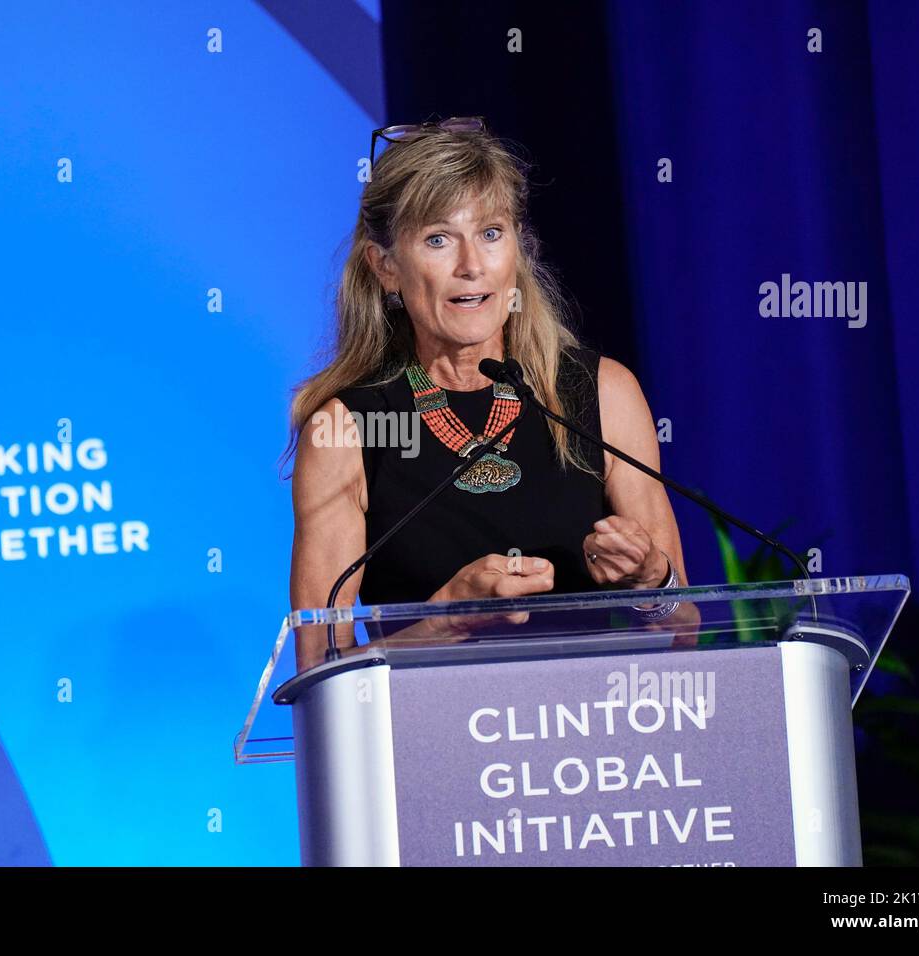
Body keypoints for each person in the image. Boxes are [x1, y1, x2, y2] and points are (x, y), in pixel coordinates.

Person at [284, 117, 692, 674]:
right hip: (425, 744)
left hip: (593, 738)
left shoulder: (598, 393)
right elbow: (318, 667)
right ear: (386, 269)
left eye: (491, 233)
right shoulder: (352, 429)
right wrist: (446, 619)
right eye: (437, 239)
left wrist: (653, 582)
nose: (472, 265)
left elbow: (686, 626)